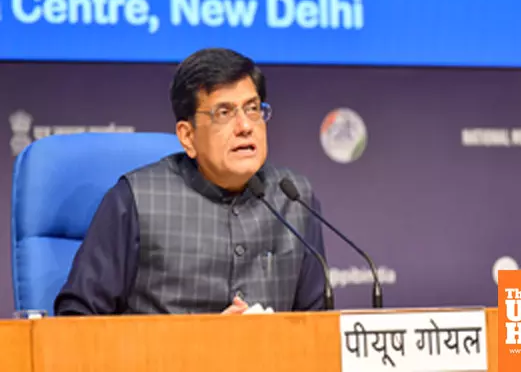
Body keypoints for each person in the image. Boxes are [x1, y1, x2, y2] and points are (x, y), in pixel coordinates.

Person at [54, 48, 327, 315]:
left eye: (253, 109)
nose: (245, 126)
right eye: (224, 113)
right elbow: (77, 321)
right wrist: (200, 346)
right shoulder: (134, 201)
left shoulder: (294, 199)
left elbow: (320, 330)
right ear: (187, 136)